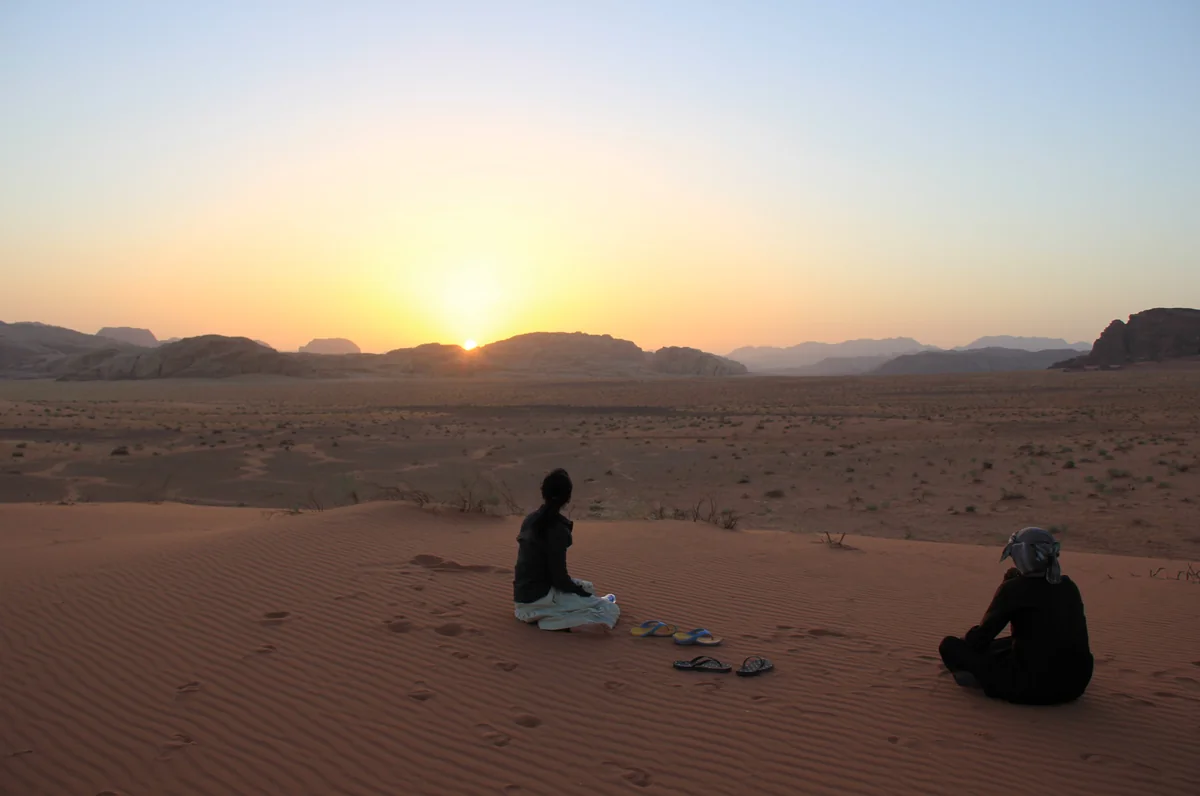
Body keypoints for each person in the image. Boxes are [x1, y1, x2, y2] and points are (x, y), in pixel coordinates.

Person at [939, 527, 1093, 705]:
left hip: (1030, 687)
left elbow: (980, 638)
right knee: (1011, 643)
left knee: (950, 646)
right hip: (1076, 684)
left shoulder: (1013, 589)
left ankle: (979, 678)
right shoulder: (1068, 586)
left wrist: (1005, 589)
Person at [512, 469, 620, 632]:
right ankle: (563, 622)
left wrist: (582, 592)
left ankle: (569, 610)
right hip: (539, 598)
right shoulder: (556, 529)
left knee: (588, 587)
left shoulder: (531, 520)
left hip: (523, 595)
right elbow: (559, 578)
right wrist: (582, 595)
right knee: (610, 609)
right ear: (567, 497)